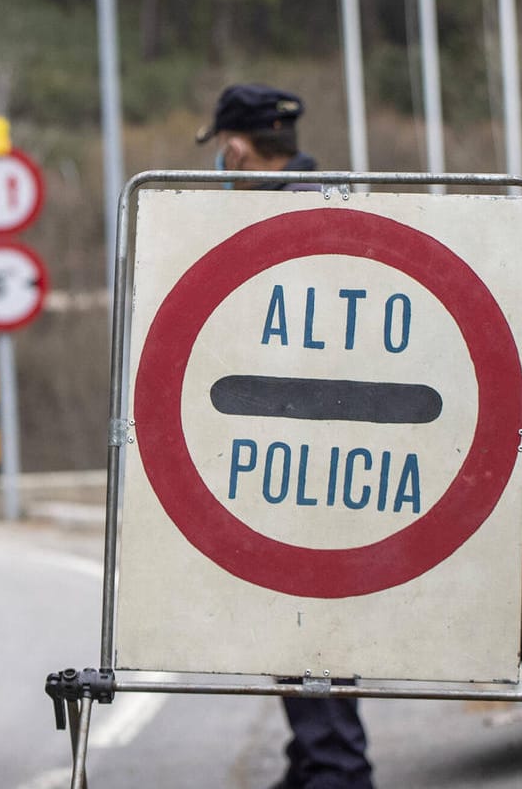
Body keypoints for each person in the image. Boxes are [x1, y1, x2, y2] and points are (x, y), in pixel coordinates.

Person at [197, 83, 372, 789]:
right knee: (307, 606)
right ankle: (315, 760)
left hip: (289, 442)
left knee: (301, 609)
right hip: (337, 439)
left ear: (237, 147)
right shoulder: (340, 201)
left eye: (221, 150)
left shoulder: (263, 216)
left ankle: (334, 764)